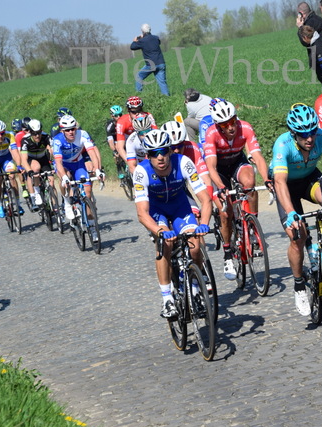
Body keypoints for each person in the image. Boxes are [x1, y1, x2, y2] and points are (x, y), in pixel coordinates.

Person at [132, 130, 212, 318]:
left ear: (170, 151)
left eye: (163, 151)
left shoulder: (183, 163)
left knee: (194, 245)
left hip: (180, 208)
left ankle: (194, 285)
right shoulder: (141, 172)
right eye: (154, 153)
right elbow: (142, 214)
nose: (160, 157)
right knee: (165, 244)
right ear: (147, 155)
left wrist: (205, 224)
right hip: (156, 211)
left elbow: (205, 200)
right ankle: (167, 298)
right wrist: (159, 231)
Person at [271, 104, 322, 315]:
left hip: (309, 179)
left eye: (312, 132)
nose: (309, 138)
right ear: (294, 134)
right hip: (286, 186)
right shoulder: (282, 144)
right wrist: (291, 213)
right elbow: (280, 182)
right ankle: (299, 285)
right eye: (303, 134)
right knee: (296, 235)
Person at [202, 100, 270, 280]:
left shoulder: (245, 128)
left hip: (237, 162)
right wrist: (222, 188)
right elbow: (210, 167)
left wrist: (268, 179)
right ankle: (227, 254)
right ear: (218, 125)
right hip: (219, 172)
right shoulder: (211, 134)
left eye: (232, 121)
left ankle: (252, 226)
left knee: (249, 183)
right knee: (226, 212)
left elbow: (258, 157)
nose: (231, 127)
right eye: (225, 125)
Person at [52, 115, 103, 220]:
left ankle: (91, 224)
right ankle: (66, 202)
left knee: (87, 191)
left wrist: (97, 169)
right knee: (65, 177)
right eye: (67, 130)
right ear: (62, 131)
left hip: (78, 163)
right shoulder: (57, 140)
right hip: (64, 164)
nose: (71, 132)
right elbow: (58, 161)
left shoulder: (83, 134)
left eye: (73, 129)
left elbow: (92, 153)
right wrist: (64, 177)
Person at [0, 120, 25, 218]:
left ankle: (18, 205)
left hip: (6, 158)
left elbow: (15, 152)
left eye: (2, 133)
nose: (0, 136)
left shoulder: (10, 136)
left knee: (12, 176)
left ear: (5, 131)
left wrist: (19, 165)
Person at [20, 119, 53, 208]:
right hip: (31, 158)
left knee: (51, 181)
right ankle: (37, 192)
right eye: (34, 133)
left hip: (43, 158)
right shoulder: (25, 140)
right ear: (30, 132)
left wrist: (54, 163)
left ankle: (55, 207)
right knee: (36, 168)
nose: (37, 135)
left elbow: (52, 150)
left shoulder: (46, 137)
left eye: (39, 132)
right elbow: (23, 160)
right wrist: (29, 171)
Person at [296, 2, 322, 90]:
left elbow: (305, 42)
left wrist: (300, 27)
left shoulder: (310, 22)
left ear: (301, 13)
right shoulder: (316, 19)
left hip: (320, 57)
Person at [131, 24, 170, 96]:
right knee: (162, 82)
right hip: (161, 63)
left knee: (138, 76)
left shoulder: (142, 41)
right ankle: (167, 98)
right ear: (150, 30)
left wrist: (135, 41)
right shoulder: (156, 38)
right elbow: (157, 42)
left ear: (142, 31)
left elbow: (132, 47)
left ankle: (138, 95)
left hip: (151, 65)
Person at [115, 96, 156, 165]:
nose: (137, 113)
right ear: (128, 111)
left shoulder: (148, 116)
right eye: (134, 112)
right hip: (130, 146)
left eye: (139, 110)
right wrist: (129, 162)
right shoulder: (122, 121)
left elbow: (156, 134)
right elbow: (120, 147)